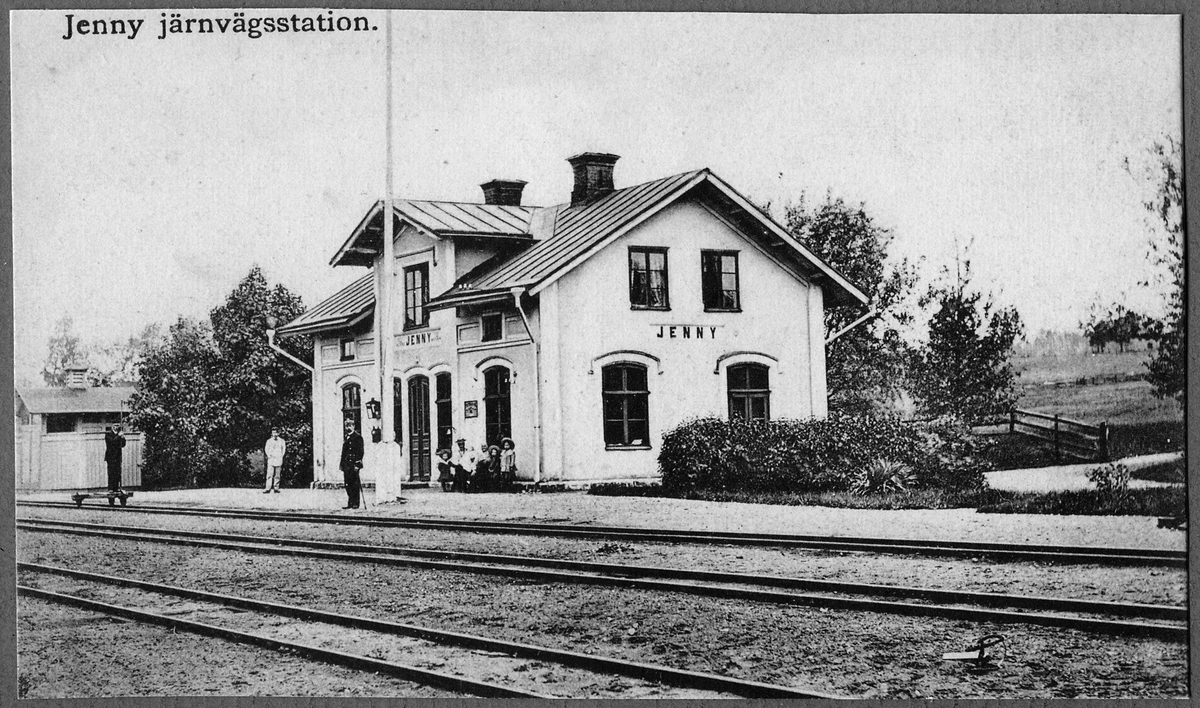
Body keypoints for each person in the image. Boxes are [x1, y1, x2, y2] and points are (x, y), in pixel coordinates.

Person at [339, 420, 364, 509]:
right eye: (347, 426)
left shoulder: (358, 437)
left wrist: (357, 464)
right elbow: (344, 452)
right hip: (347, 465)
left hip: (354, 464)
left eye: (350, 426)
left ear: (353, 426)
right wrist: (342, 464)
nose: (348, 428)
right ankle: (350, 502)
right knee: (347, 484)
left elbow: (360, 452)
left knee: (354, 484)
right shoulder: (347, 437)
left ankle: (355, 503)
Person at [104, 424, 126, 494]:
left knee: (117, 473)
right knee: (111, 472)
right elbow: (112, 442)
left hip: (117, 456)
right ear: (112, 427)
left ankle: (116, 488)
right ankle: (111, 488)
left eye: (118, 425)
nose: (117, 427)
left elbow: (123, 445)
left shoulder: (119, 434)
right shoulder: (108, 434)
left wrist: (123, 438)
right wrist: (118, 436)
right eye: (115, 425)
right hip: (111, 456)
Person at [263, 428, 286, 494]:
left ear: (278, 433)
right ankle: (268, 488)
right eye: (273, 433)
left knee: (277, 475)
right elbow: (266, 449)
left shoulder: (282, 441)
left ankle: (276, 488)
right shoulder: (269, 441)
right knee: (269, 475)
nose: (275, 434)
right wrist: (269, 455)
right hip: (271, 459)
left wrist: (281, 456)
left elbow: (283, 449)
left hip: (278, 459)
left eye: (276, 433)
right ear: (272, 434)